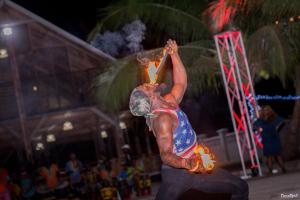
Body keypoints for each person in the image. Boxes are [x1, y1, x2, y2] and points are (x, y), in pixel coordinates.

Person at [129, 39, 248, 200]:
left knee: (240, 187)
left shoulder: (168, 101)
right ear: (149, 98)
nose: (145, 83)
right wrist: (186, 164)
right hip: (178, 174)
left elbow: (181, 83)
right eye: (143, 87)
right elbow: (165, 154)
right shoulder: (162, 119)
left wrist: (174, 54)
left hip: (198, 164)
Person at [254, 105, 286, 174]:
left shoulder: (273, 117)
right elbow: (255, 125)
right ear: (262, 111)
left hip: (274, 138)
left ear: (270, 110)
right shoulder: (261, 119)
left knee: (278, 155)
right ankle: (270, 171)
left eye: (267, 109)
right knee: (269, 156)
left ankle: (283, 169)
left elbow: (282, 121)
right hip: (266, 139)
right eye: (264, 110)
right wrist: (259, 129)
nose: (266, 111)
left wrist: (278, 129)